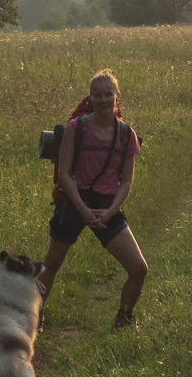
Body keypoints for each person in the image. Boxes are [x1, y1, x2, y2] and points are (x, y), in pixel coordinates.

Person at [39, 69, 147, 329]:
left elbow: (126, 182)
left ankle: (123, 318)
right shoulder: (76, 129)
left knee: (139, 269)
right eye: (97, 95)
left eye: (108, 94)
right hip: (74, 200)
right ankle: (34, 315)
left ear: (117, 96)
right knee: (52, 263)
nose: (103, 100)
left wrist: (110, 211)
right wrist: (82, 209)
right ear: (90, 97)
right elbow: (64, 175)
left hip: (107, 205)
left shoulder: (126, 134)